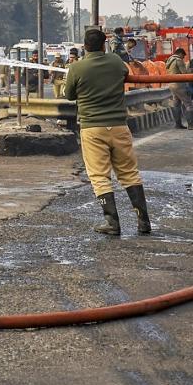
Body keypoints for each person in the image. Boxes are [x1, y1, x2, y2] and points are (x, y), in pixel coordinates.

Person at [64, 28, 150, 235]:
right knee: (129, 173)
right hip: (119, 126)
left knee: (99, 176)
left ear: (85, 46)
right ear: (104, 45)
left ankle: (112, 223)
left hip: (92, 128)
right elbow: (125, 74)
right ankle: (144, 222)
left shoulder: (77, 68)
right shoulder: (115, 62)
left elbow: (69, 95)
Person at [165, 47, 192, 129]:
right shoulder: (178, 60)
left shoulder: (169, 60)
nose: (183, 58)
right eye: (183, 56)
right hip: (179, 85)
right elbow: (185, 74)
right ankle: (191, 125)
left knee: (176, 104)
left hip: (171, 84)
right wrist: (189, 69)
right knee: (189, 104)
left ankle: (178, 124)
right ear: (180, 53)